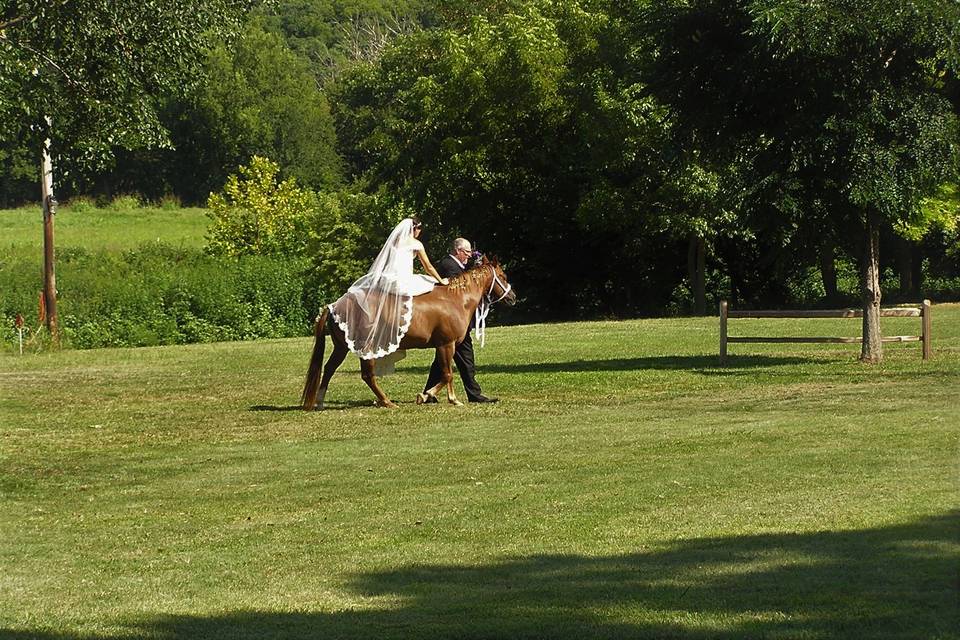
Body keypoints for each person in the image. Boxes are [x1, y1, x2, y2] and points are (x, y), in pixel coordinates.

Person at [329, 218, 448, 360]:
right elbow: (428, 267)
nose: (419, 232)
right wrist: (441, 280)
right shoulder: (416, 244)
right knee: (430, 282)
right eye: (419, 229)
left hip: (387, 278)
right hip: (402, 280)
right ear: (414, 229)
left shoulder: (393, 242)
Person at [423, 237, 499, 403]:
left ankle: (429, 393)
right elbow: (459, 288)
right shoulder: (448, 266)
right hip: (451, 322)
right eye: (466, 252)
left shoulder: (457, 266)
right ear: (458, 251)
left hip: (455, 322)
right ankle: (474, 394)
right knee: (466, 360)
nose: (469, 255)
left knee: (442, 360)